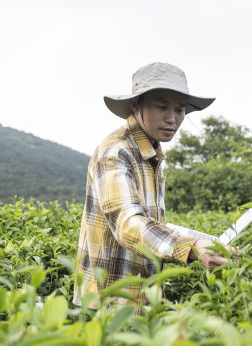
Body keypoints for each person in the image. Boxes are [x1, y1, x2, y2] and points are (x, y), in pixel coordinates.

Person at [73, 62, 232, 310]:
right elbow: (129, 223)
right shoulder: (117, 152)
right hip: (109, 301)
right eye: (161, 107)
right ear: (137, 105)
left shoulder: (149, 151)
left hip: (141, 295)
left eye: (180, 110)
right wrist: (190, 247)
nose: (173, 118)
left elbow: (150, 222)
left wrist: (200, 241)